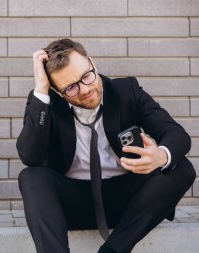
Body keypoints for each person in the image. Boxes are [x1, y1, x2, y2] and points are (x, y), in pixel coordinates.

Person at [16, 38, 196, 253]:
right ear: (57, 91)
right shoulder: (45, 103)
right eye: (71, 87)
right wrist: (41, 90)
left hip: (128, 203)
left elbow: (176, 134)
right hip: (72, 204)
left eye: (86, 76)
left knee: (180, 167)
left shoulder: (126, 90)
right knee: (31, 176)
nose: (84, 89)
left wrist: (160, 155)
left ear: (92, 63)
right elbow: (30, 157)